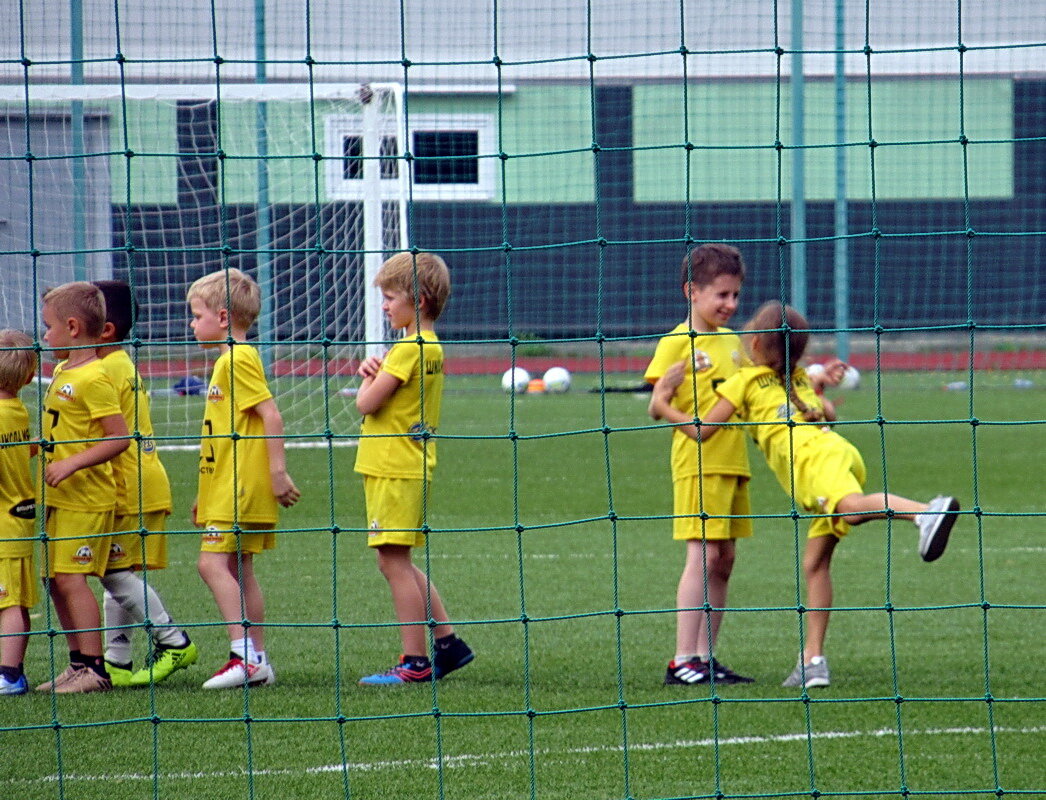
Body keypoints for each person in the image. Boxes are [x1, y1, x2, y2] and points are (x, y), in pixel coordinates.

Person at [651, 300, 960, 688]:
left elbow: (702, 431)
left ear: (758, 342)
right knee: (816, 562)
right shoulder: (796, 380)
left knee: (849, 509)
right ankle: (812, 661)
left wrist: (663, 404)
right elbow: (827, 413)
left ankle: (924, 513)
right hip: (839, 452)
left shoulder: (744, 382)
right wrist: (816, 383)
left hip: (812, 464)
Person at [354, 251, 473, 685]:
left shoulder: (408, 349)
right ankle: (448, 643)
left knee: (392, 562)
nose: (384, 306)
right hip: (408, 464)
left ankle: (415, 662)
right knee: (398, 559)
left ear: (418, 300)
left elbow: (365, 403)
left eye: (389, 297)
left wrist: (369, 374)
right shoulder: (431, 347)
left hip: (393, 465)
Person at [645, 244, 755, 686]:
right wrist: (663, 397)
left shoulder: (733, 343)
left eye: (735, 296)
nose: (730, 305)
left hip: (733, 462)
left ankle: (706, 658)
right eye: (721, 295)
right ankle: (682, 658)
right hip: (697, 463)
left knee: (725, 557)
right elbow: (657, 404)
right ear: (692, 291)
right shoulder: (675, 342)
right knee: (703, 553)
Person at [187, 268, 300, 689]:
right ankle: (259, 661)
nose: (192, 324)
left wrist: (276, 471)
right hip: (226, 487)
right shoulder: (229, 361)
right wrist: (206, 494)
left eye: (196, 315)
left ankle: (244, 657)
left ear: (221, 316)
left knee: (210, 563)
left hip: (242, 486)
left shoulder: (237, 358)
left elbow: (270, 413)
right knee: (239, 566)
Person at [92, 280, 198, 687]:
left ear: (104, 329)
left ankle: (173, 641)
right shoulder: (117, 363)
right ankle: (117, 662)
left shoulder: (106, 368)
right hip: (140, 480)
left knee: (115, 573)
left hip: (129, 485)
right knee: (115, 570)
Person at [36, 282, 131, 694]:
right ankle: (77, 664)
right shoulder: (61, 371)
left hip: (88, 497)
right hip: (59, 497)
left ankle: (96, 668)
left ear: (72, 327)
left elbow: (119, 438)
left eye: (48, 328)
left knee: (73, 580)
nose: (44, 337)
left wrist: (73, 463)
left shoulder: (95, 377)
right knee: (55, 580)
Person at [0, 330, 39, 695]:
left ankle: (9, 674)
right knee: (16, 600)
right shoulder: (17, 409)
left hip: (4, 524)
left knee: (7, 602)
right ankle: (13, 669)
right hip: (20, 515)